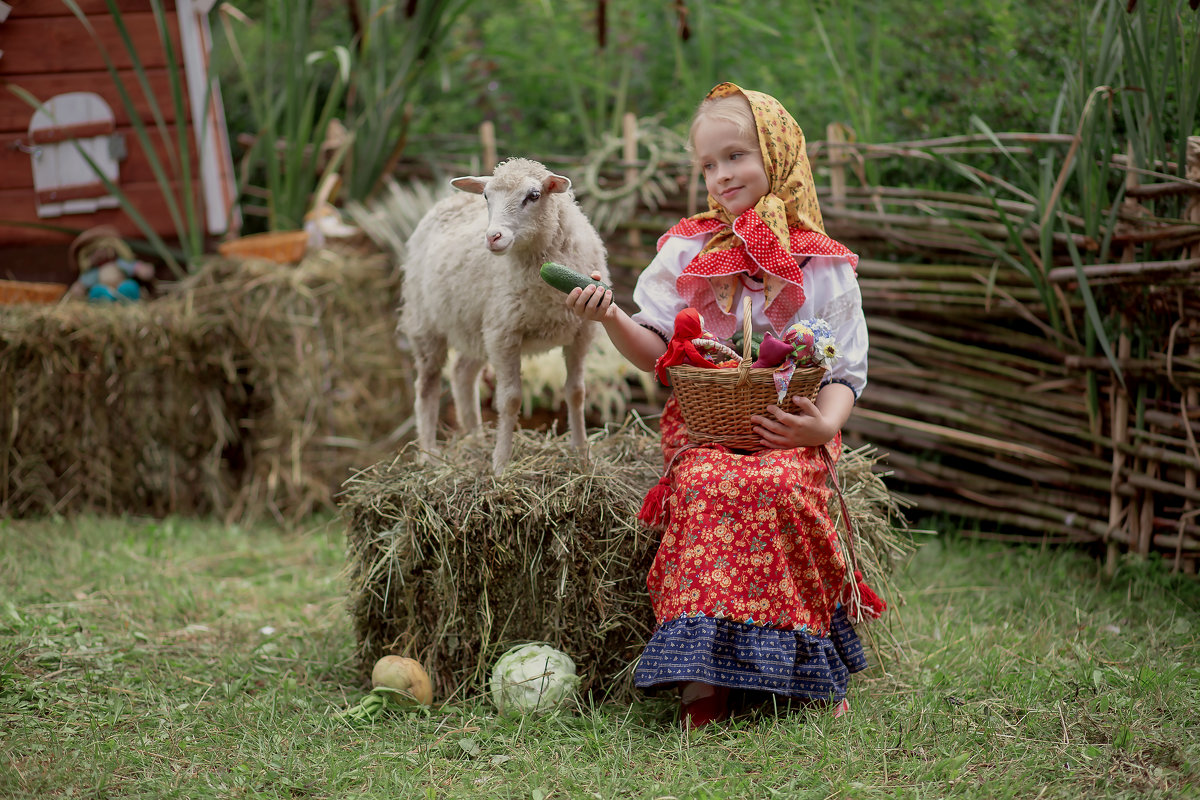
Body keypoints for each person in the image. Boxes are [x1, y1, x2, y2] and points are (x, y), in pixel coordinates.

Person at [565, 82, 877, 729]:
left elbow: (845, 369)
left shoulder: (822, 265)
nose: (720, 174)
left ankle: (809, 668)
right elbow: (657, 346)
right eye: (708, 164)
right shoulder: (687, 251)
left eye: (735, 156)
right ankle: (704, 681)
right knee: (708, 486)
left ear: (778, 152)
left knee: (783, 488)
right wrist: (610, 316)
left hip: (791, 428)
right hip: (707, 431)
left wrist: (822, 423)